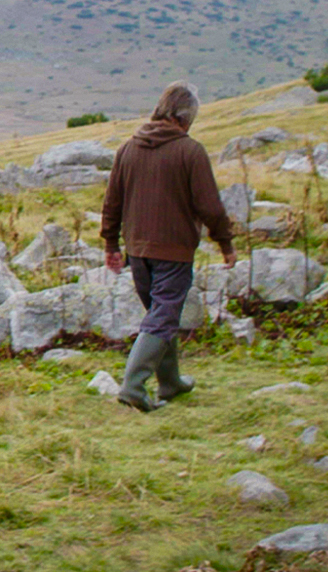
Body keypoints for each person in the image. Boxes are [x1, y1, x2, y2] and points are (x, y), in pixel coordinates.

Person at [100, 81, 237, 412]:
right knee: (162, 317)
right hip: (173, 252)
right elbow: (210, 206)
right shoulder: (190, 151)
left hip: (137, 252)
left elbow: (112, 201)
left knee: (161, 314)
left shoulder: (128, 149)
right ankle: (133, 386)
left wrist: (111, 243)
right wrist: (225, 242)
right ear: (184, 118)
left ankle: (171, 382)